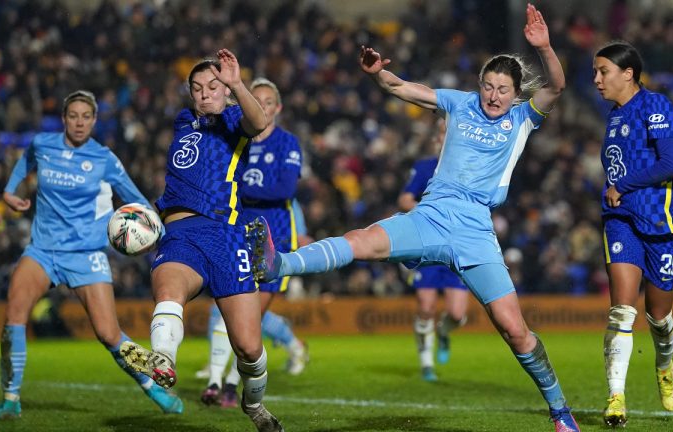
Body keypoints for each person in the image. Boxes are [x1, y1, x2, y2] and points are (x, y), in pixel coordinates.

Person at [248, 4, 580, 431]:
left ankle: (560, 411)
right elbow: (404, 88)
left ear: (515, 93)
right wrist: (377, 74)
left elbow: (557, 84)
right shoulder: (461, 104)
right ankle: (280, 264)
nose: (494, 96)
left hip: (476, 229)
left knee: (514, 330)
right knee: (362, 240)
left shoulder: (522, 117)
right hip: (431, 214)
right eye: (488, 86)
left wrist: (545, 47)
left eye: (502, 89)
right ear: (479, 85)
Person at [0, 90, 183, 423]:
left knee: (109, 334)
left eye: (86, 116)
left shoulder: (104, 158)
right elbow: (25, 160)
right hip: (42, 250)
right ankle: (10, 400)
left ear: (95, 120)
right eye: (73, 115)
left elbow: (138, 200)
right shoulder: (43, 144)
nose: (79, 122)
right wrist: (9, 192)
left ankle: (151, 384)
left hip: (86, 253)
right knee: (13, 315)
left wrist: (160, 234)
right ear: (63, 118)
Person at [118, 49, 284, 432]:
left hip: (225, 236)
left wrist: (237, 84)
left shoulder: (233, 119)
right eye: (197, 88)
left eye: (213, 86)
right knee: (167, 291)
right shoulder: (183, 121)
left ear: (226, 91)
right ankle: (162, 358)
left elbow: (258, 122)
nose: (205, 93)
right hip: (180, 234)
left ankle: (255, 407)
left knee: (248, 349)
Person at [593, 41, 673, 427]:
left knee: (658, 318)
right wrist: (619, 194)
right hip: (622, 220)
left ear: (627, 73)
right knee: (622, 310)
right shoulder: (613, 117)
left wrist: (625, 184)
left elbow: (671, 164)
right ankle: (616, 397)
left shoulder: (656, 106)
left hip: (662, 225)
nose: (596, 80)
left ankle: (664, 365)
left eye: (603, 71)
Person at [201, 78, 309, 408]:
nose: (260, 105)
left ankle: (232, 385)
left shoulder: (287, 143)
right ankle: (217, 382)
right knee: (228, 316)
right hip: (235, 233)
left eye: (266, 101)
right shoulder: (239, 142)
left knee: (249, 320)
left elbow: (284, 191)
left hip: (274, 240)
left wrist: (239, 192)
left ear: (277, 108)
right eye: (254, 99)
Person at [398, 118, 469, 382]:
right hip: (426, 246)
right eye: (442, 133)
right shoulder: (425, 166)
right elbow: (404, 198)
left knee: (457, 314)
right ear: (437, 138)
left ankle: (443, 332)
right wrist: (428, 213)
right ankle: (426, 363)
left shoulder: (466, 168)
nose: (444, 138)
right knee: (426, 305)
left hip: (455, 247)